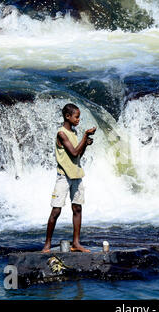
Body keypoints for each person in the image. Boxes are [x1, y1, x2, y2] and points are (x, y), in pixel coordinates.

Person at [42, 103, 96, 253]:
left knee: (77, 208)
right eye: (76, 116)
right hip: (63, 176)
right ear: (68, 116)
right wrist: (85, 136)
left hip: (76, 175)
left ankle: (76, 243)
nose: (78, 119)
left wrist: (85, 143)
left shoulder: (74, 133)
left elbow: (78, 155)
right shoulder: (62, 133)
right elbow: (72, 153)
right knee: (56, 210)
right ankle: (47, 244)